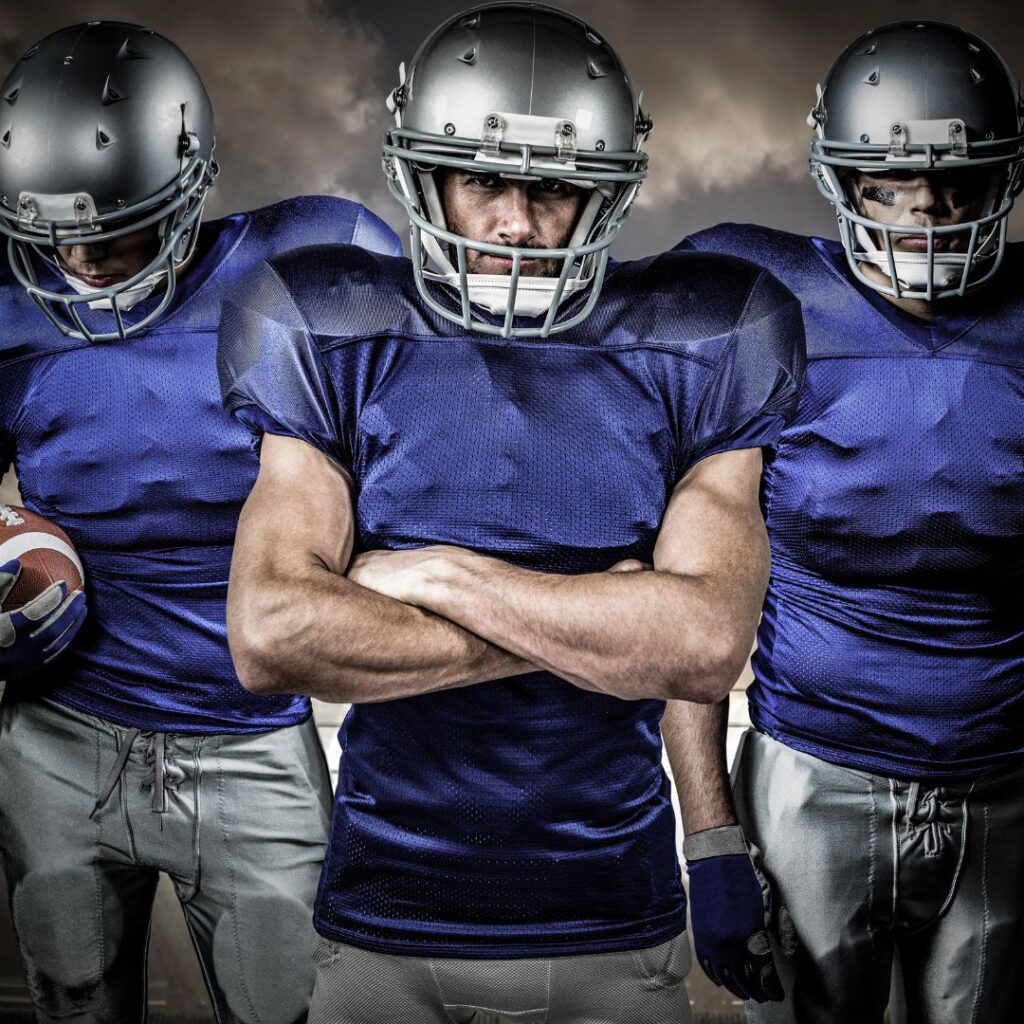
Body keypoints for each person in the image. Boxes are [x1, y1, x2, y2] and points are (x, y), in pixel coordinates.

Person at [219, 4, 805, 1022]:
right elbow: (272, 633)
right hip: (380, 920)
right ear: (420, 172)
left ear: (606, 190)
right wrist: (609, 622)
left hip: (616, 920)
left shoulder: (705, 332)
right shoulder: (332, 324)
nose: (515, 225)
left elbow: (703, 642)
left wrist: (440, 574)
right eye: (482, 176)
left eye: (552, 187)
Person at [0, 21, 400, 1024]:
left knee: (291, 1009)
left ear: (191, 188)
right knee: (72, 1005)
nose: (85, 257)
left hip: (249, 738)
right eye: (57, 231)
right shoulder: (8, 310)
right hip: (58, 727)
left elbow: (434, 457)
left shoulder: (307, 266)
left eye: (120, 228)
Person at [669, 20, 1024, 1023]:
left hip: (1006, 783)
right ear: (838, 178)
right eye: (889, 183)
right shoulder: (762, 305)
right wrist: (709, 838)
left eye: (959, 181)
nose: (928, 211)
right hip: (812, 778)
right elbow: (694, 605)